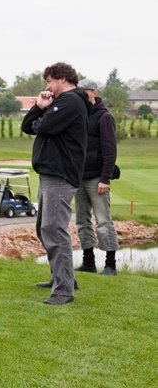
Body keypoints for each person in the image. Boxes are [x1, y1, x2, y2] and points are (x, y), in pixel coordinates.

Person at [21, 62, 90, 305]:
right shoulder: (61, 102)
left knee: (54, 229)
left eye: (49, 81)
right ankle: (62, 278)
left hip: (60, 175)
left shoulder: (71, 101)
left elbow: (45, 127)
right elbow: (29, 126)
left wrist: (44, 119)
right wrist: (39, 107)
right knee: (44, 227)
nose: (47, 86)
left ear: (61, 79)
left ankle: (64, 290)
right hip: (50, 174)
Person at [74, 79, 119, 275]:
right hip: (78, 177)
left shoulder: (104, 117)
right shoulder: (78, 115)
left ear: (94, 92)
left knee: (103, 221)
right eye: (81, 92)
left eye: (86, 92)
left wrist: (105, 179)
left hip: (97, 179)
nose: (84, 95)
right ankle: (89, 262)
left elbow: (110, 151)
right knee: (82, 221)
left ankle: (110, 265)